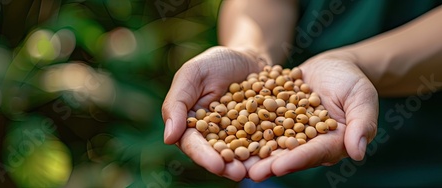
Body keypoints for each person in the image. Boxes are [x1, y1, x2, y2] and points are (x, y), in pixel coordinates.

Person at [162, 0, 442, 186]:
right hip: (279, 170)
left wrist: (358, 63)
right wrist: (251, 51)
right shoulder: (270, 117)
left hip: (416, 163)